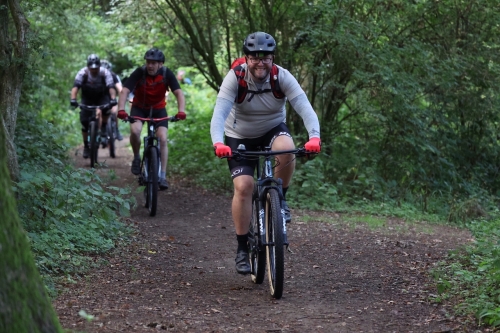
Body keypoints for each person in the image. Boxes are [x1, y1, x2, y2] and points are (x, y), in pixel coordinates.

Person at [210, 31, 321, 275]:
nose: (260, 62)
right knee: (244, 186)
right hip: (239, 136)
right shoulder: (235, 78)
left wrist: (314, 137)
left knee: (286, 148)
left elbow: (305, 108)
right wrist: (218, 142)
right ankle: (242, 247)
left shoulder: (282, 77)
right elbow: (219, 114)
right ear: (246, 58)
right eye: (254, 57)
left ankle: (281, 199)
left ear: (273, 58)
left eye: (266, 57)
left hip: (272, 129)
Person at [116, 48, 186, 190]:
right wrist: (121, 110)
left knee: (162, 138)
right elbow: (125, 91)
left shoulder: (167, 74)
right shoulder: (139, 72)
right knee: (135, 131)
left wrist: (181, 111)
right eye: (148, 62)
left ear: (160, 64)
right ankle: (136, 157)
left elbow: (178, 93)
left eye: (154, 63)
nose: (150, 66)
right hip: (139, 107)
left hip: (159, 109)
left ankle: (162, 176)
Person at [70, 54, 117, 158]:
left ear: (99, 66)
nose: (94, 70)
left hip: (102, 96)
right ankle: (86, 146)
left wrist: (113, 98)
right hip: (87, 97)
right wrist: (73, 99)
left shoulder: (105, 72)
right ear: (88, 67)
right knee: (84, 123)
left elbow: (111, 87)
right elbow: (75, 87)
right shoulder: (83, 73)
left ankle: (104, 127)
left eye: (96, 68)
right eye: (92, 68)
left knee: (106, 110)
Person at [101, 59, 124, 140]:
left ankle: (116, 130)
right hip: (100, 97)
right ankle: (98, 132)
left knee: (114, 112)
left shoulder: (113, 75)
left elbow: (120, 89)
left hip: (111, 97)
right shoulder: (96, 76)